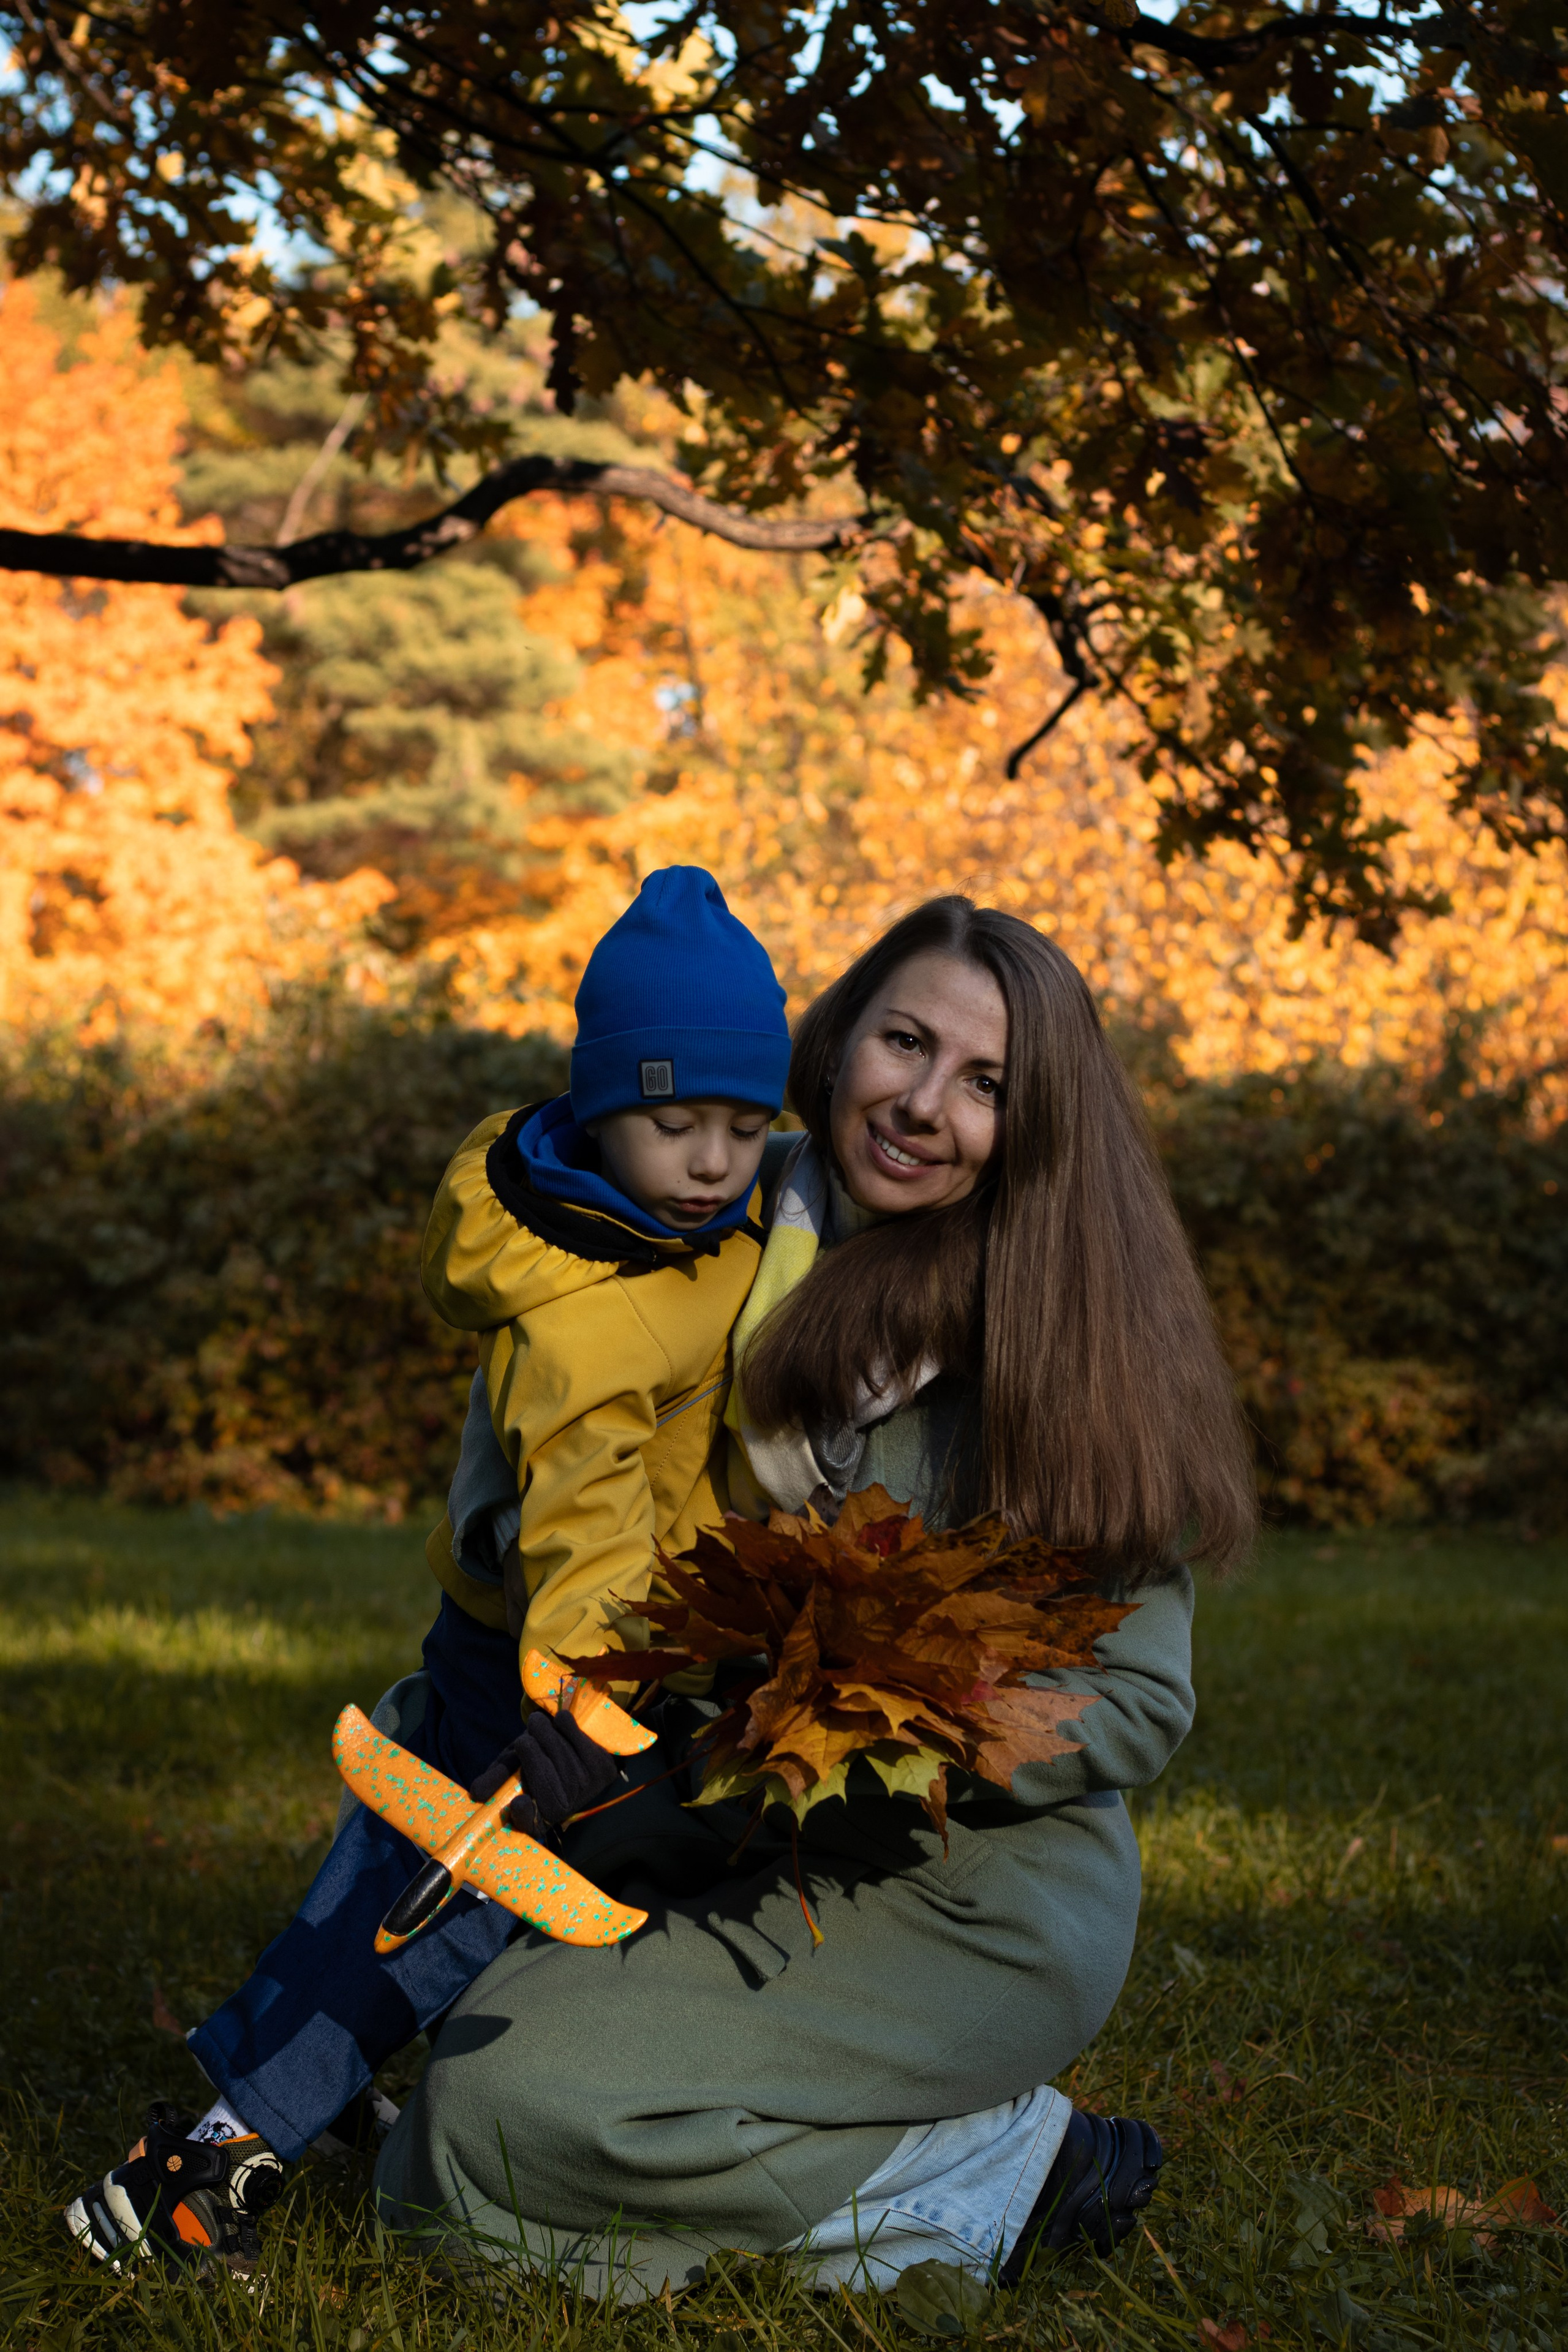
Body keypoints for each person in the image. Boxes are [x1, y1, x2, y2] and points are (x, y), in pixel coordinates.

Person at [369, 897, 1259, 2301]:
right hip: (709, 1822)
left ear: (1029, 1126)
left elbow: (1140, 1701)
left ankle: (993, 2172)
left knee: (489, 2116)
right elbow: (551, 1306)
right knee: (432, 2012)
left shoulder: (1060, 1330)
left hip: (959, 1885)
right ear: (836, 1038)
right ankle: (781, 2132)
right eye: (903, 1043)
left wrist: (877, 1719)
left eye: (984, 1085)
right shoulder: (715, 1209)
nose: (921, 1105)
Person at [64, 867, 793, 2278]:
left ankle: (286, 2078)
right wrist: (588, 1711)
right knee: (446, 1913)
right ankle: (189, 2180)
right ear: (601, 1109)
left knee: (393, 1871)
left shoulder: (685, 1219)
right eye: (675, 1123)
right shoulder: (583, 1311)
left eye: (745, 1125)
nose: (715, 1160)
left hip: (572, 1646)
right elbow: (581, 1520)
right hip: (560, 1670)